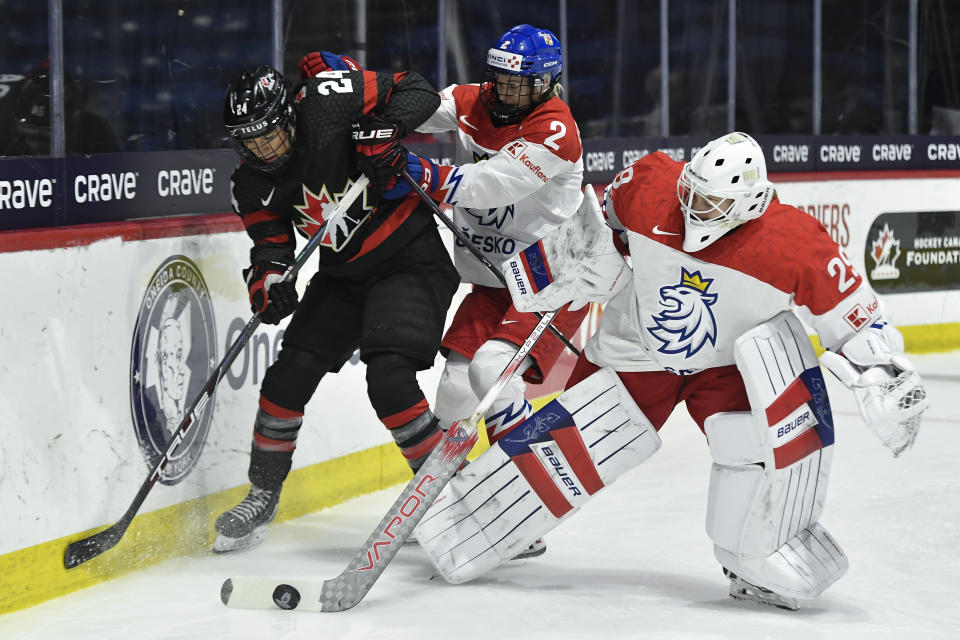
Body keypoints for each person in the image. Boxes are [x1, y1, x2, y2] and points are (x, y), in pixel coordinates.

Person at [415, 132, 930, 609]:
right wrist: (577, 256)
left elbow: (859, 319)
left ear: (749, 205)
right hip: (636, 350)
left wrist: (888, 378)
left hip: (727, 367)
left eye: (711, 204)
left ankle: (752, 559)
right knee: (566, 447)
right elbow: (597, 221)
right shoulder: (653, 183)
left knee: (750, 449)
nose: (693, 209)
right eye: (692, 192)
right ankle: (485, 518)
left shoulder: (794, 242)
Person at [213, 55, 460, 552]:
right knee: (286, 378)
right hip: (343, 277)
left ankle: (456, 499)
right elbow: (270, 248)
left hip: (409, 259)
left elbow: (419, 89)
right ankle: (263, 492)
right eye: (250, 139)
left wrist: (384, 132)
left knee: (388, 378)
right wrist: (271, 286)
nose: (262, 147)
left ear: (289, 115)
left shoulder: (327, 101)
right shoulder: (252, 183)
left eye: (269, 134)